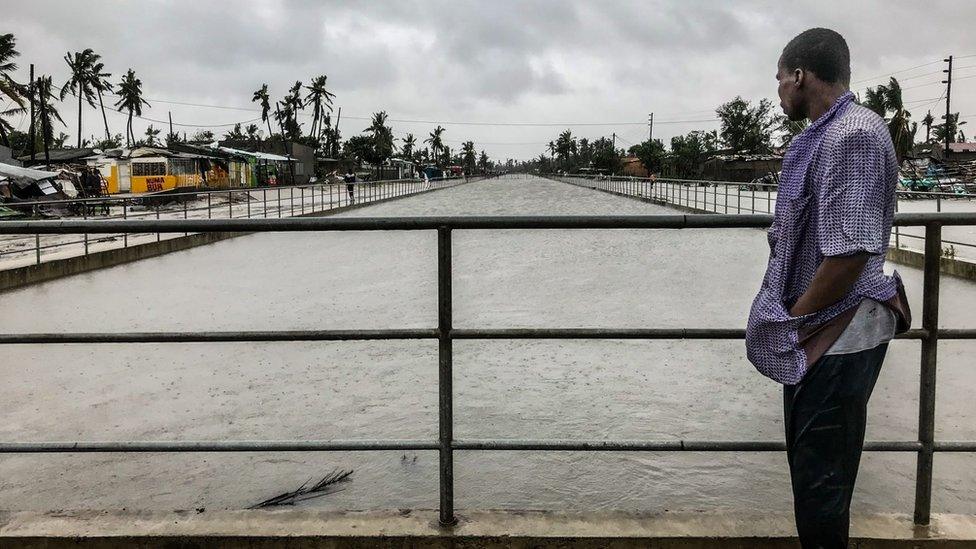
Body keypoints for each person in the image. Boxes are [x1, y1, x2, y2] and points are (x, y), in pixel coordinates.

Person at [745, 28, 911, 547]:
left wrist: (792, 320)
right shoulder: (828, 133)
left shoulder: (852, 137)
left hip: (838, 330)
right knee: (811, 470)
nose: (777, 91)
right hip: (824, 326)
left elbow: (850, 253)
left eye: (778, 79)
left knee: (822, 482)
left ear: (799, 75)